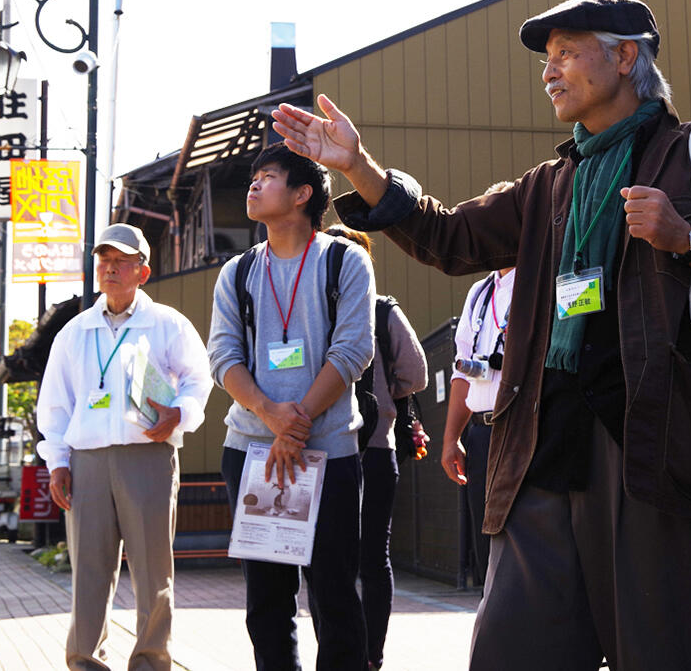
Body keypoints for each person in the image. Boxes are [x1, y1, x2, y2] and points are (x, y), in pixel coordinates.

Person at [273, 0, 691, 671]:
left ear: (624, 55)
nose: (548, 71)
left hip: (652, 447)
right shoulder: (550, 183)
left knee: (658, 653)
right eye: (545, 59)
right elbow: (448, 235)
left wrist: (687, 236)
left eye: (565, 53)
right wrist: (357, 167)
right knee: (511, 650)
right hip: (540, 445)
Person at [207, 144, 375, 670]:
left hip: (329, 452)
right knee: (266, 601)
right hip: (252, 452)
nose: (253, 186)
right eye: (253, 178)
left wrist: (292, 425)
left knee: (334, 593)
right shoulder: (237, 272)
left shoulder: (345, 260)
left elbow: (353, 350)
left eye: (268, 177)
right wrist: (269, 415)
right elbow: (222, 355)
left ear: (303, 194)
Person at [36, 222, 212, 671]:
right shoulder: (74, 332)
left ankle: (151, 662)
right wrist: (57, 463)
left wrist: (180, 414)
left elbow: (198, 379)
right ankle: (84, 662)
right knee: (89, 573)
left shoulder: (167, 324)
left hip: (149, 456)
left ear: (143, 271)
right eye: (104, 262)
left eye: (121, 262)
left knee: (154, 573)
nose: (110, 270)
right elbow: (55, 405)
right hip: (87, 462)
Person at [325, 224, 429, 671]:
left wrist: (383, 405)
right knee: (358, 558)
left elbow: (418, 374)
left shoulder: (379, 311)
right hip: (357, 448)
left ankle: (363, 655)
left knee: (353, 559)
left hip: (362, 449)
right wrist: (387, 402)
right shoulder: (371, 311)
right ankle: (359, 655)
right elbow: (415, 375)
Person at [440, 181, 516, 586]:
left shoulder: (538, 278)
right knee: (485, 548)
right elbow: (461, 371)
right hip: (481, 433)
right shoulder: (480, 291)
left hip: (520, 429)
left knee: (522, 545)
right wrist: (451, 438)